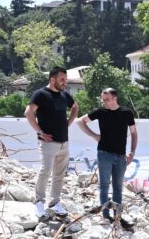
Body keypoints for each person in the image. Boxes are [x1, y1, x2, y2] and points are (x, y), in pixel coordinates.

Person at [77, 88, 138, 230]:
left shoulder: (126, 112)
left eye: (107, 99)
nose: (104, 102)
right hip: (104, 153)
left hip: (121, 155)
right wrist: (94, 135)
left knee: (118, 187)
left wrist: (132, 153)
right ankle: (106, 215)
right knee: (104, 185)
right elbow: (80, 121)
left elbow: (134, 133)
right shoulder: (100, 112)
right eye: (103, 100)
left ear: (114, 98)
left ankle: (118, 216)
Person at [25, 66, 78, 217]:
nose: (64, 82)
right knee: (45, 172)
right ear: (52, 79)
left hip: (64, 143)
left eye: (66, 80)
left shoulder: (64, 95)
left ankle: (55, 202)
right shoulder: (40, 94)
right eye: (62, 79)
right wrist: (40, 132)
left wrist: (68, 122)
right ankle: (39, 202)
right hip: (48, 143)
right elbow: (28, 113)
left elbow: (75, 107)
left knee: (59, 174)